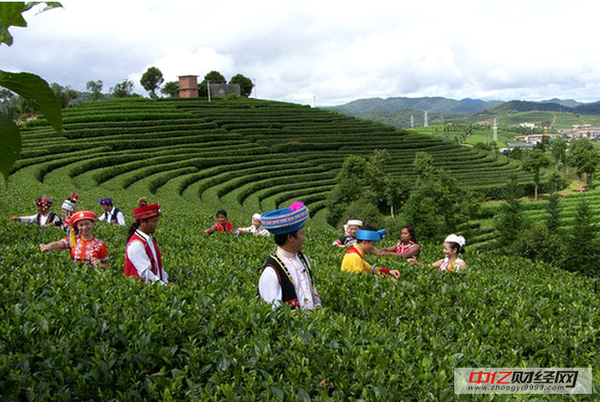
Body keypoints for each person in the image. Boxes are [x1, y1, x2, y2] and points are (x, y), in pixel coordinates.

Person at [258, 201, 322, 310]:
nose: (304, 238)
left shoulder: (302, 259)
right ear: (290, 238)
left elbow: (311, 289)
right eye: (302, 234)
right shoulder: (271, 272)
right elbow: (274, 313)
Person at [39, 210, 109, 268]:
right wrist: (48, 247)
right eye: (81, 225)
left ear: (92, 224)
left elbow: (106, 264)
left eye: (87, 224)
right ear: (77, 227)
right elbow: (59, 244)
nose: (84, 227)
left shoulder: (99, 244)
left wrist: (99, 265)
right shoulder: (73, 240)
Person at [124, 199, 168, 284]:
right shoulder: (136, 244)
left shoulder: (149, 240)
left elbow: (157, 266)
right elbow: (145, 273)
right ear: (143, 222)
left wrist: (165, 280)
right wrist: (163, 286)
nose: (156, 225)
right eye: (154, 221)